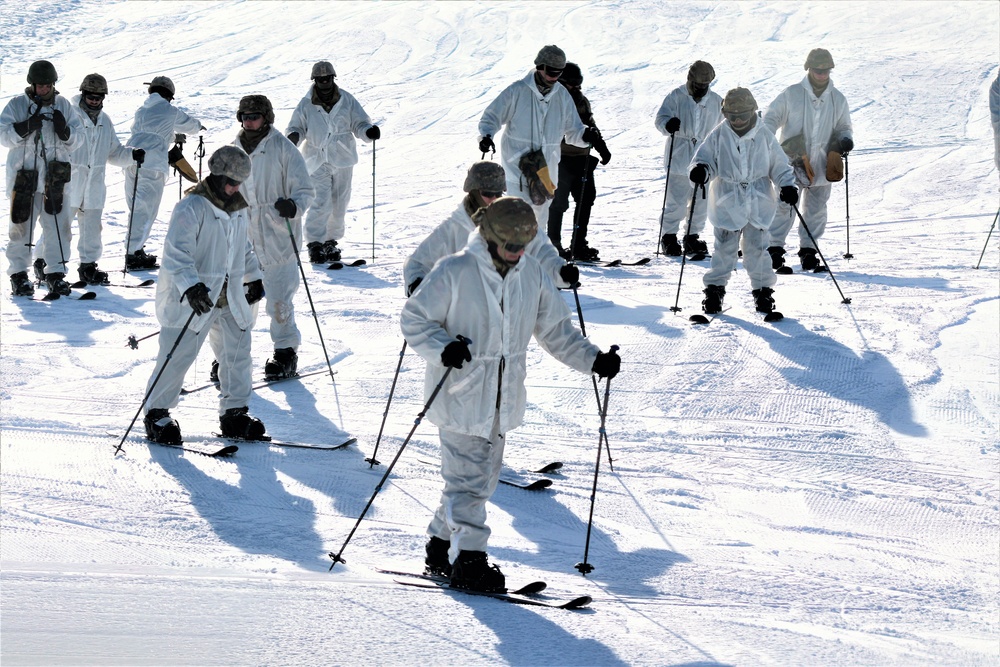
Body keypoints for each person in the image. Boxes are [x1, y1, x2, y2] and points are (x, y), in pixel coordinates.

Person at [400, 196, 622, 593]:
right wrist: (442, 346)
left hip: (502, 399)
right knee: (467, 483)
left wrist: (593, 360)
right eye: (510, 246)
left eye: (523, 246)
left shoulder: (532, 273)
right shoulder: (455, 270)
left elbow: (555, 331)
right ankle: (469, 561)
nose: (517, 253)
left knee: (479, 482)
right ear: (489, 235)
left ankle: (440, 543)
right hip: (459, 395)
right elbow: (415, 317)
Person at [141, 146, 267, 445]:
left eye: (239, 182)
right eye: (231, 181)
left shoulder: (237, 209)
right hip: (193, 298)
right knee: (177, 355)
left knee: (237, 355)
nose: (235, 187)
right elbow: (176, 252)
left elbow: (244, 250)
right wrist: (191, 285)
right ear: (217, 175)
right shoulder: (192, 207)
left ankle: (234, 414)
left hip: (229, 296)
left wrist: (254, 277)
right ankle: (157, 414)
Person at [477, 45, 597, 282]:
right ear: (539, 67)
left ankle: (533, 276)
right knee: (516, 221)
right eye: (551, 71)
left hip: (545, 173)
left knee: (538, 226)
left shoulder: (561, 95)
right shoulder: (517, 92)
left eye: (559, 73)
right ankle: (507, 273)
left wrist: (586, 136)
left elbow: (573, 131)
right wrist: (486, 136)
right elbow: (491, 117)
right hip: (517, 169)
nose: (554, 77)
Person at [689, 88, 797, 315]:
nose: (737, 120)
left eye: (742, 115)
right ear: (725, 114)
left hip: (758, 200)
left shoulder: (764, 134)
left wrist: (787, 185)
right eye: (732, 115)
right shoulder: (719, 134)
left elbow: (779, 165)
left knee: (757, 249)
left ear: (752, 111)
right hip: (728, 200)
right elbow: (704, 159)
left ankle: (763, 291)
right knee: (724, 250)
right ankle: (714, 290)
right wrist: (701, 171)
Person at [231, 94, 314, 380]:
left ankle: (285, 352)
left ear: (266, 117)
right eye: (244, 116)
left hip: (278, 234)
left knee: (279, 298)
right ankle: (232, 354)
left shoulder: (284, 149)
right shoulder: (234, 150)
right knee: (240, 298)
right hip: (243, 236)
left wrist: (293, 206)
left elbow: (305, 189)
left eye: (254, 116)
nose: (248, 121)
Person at [763, 48, 853, 272]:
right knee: (784, 204)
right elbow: (771, 117)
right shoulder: (791, 94)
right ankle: (774, 249)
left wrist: (846, 140)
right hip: (792, 161)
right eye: (817, 70)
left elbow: (844, 127)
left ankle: (809, 252)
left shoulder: (838, 99)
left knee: (816, 208)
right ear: (809, 69)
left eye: (825, 70)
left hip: (822, 164)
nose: (821, 74)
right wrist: (767, 143)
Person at [1, 60, 83, 298]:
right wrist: (24, 127)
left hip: (54, 181)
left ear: (53, 84)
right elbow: (2, 135)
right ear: (32, 84)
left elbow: (78, 139)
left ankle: (55, 274)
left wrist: (64, 130)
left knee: (59, 229)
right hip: (24, 179)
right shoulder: (17, 105)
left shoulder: (64, 106)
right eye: (40, 85)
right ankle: (18, 275)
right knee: (20, 228)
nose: (44, 89)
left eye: (47, 85)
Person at [285, 61, 380, 265]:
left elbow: (360, 123)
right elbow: (296, 126)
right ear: (315, 80)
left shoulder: (347, 100)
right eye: (320, 79)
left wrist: (368, 132)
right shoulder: (306, 103)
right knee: (320, 201)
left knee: (340, 202)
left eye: (327, 78)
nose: (324, 82)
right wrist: (293, 136)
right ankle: (315, 244)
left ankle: (330, 241)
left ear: (333, 78)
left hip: (343, 158)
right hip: (317, 159)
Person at [65, 74, 145, 285]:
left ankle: (88, 266)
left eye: (99, 96)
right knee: (59, 225)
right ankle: (47, 264)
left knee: (92, 227)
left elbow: (114, 152)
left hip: (94, 184)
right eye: (91, 96)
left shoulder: (105, 121)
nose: (94, 100)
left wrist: (131, 155)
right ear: (83, 94)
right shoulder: (69, 115)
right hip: (69, 182)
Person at [122, 75, 205, 271]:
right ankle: (133, 254)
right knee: (145, 209)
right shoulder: (169, 110)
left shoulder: (141, 110)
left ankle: (135, 249)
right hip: (152, 164)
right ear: (168, 95)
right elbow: (190, 125)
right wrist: (199, 126)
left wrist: (172, 135)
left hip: (131, 158)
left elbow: (152, 130)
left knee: (135, 207)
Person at [654, 60, 723, 258]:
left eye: (705, 85)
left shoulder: (716, 101)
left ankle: (692, 236)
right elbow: (660, 119)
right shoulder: (676, 96)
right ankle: (669, 236)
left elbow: (722, 129)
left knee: (700, 201)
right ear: (689, 79)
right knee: (675, 200)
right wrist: (668, 124)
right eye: (697, 84)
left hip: (704, 158)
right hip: (679, 156)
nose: (701, 88)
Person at [547, 62, 612, 262]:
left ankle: (578, 244)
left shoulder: (581, 100)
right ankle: (553, 245)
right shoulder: (553, 102)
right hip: (560, 159)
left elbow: (590, 124)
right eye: (572, 84)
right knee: (558, 202)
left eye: (579, 83)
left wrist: (601, 146)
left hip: (582, 159)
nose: (577, 88)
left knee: (586, 199)